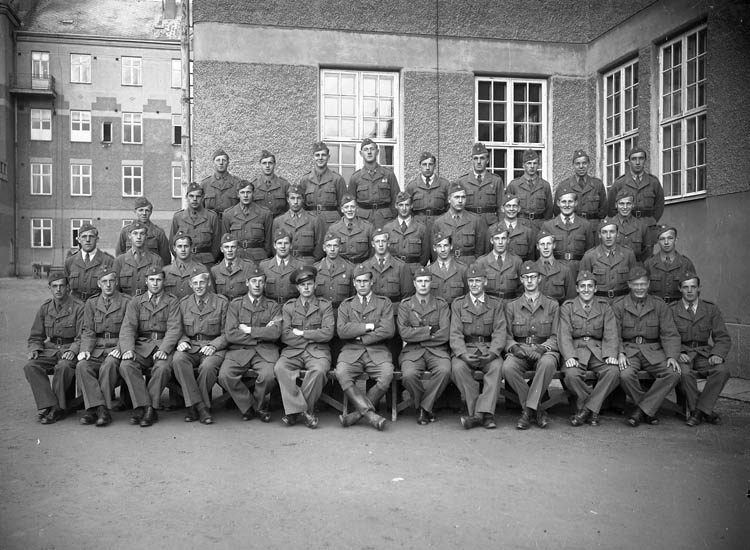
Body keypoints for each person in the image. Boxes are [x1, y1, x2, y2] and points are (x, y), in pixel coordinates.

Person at [612, 266, 681, 427]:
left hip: (653, 351)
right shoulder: (619, 305)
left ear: (649, 284)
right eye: (636, 284)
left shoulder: (659, 305)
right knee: (625, 374)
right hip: (629, 350)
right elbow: (614, 334)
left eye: (643, 284)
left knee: (673, 373)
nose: (640, 288)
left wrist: (671, 356)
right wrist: (620, 353)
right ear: (629, 284)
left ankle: (641, 410)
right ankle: (648, 409)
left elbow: (669, 334)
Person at [118, 266, 182, 427]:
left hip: (163, 344)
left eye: (158, 280)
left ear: (164, 281)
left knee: (163, 368)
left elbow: (174, 328)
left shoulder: (172, 301)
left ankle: (148, 409)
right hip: (142, 346)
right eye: (152, 280)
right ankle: (146, 406)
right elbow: (128, 328)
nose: (155, 283)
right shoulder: (136, 301)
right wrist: (128, 350)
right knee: (126, 365)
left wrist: (164, 349)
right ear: (146, 281)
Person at [502, 261, 560, 430]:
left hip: (545, 350)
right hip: (521, 349)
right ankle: (537, 410)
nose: (529, 281)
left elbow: (557, 335)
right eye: (526, 277)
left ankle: (527, 412)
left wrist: (543, 348)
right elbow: (506, 335)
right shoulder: (511, 306)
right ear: (521, 279)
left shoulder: (552, 305)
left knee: (547, 364)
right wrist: (514, 348)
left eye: (533, 277)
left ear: (539, 279)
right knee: (508, 367)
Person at [219, 266, 282, 422]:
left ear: (265, 284)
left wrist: (249, 330)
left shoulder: (273, 306)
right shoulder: (236, 305)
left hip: (265, 351)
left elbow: (275, 333)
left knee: (268, 376)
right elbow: (231, 334)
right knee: (225, 375)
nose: (257, 285)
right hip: (239, 350)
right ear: (247, 283)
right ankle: (250, 406)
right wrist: (262, 334)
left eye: (261, 281)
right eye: (254, 281)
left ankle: (258, 406)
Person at [335, 264, 393, 430]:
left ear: (371, 282)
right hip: (351, 351)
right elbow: (342, 331)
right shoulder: (346, 305)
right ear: (354, 283)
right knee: (342, 372)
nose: (362, 284)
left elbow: (388, 330)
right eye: (359, 281)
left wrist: (360, 335)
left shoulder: (384, 303)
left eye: (365, 281)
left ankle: (356, 415)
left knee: (387, 373)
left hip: (377, 350)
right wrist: (369, 326)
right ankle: (370, 415)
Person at [275, 266, 335, 428]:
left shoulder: (325, 305)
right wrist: (313, 337)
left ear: (315, 285)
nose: (306, 288)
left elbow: (328, 333)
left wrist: (302, 333)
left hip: (317, 352)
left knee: (319, 371)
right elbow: (285, 335)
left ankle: (294, 412)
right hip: (293, 351)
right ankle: (304, 412)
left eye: (309, 284)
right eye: (302, 285)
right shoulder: (289, 307)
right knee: (280, 368)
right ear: (297, 287)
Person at [559, 270, 621, 427]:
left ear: (595, 288)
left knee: (613, 371)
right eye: (582, 286)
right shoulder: (568, 307)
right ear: (577, 288)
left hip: (598, 351)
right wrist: (570, 356)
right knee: (571, 375)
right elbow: (564, 334)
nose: (586, 289)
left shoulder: (604, 307)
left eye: (590, 286)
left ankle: (586, 410)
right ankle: (593, 409)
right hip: (576, 350)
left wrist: (611, 354)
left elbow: (611, 332)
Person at [670, 272, 732, 427]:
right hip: (683, 352)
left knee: (722, 370)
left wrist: (717, 354)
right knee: (684, 373)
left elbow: (722, 337)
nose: (690, 291)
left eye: (693, 287)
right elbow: (667, 335)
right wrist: (678, 353)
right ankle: (703, 411)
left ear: (699, 288)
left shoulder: (710, 309)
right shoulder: (671, 310)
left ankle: (698, 411)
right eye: (686, 287)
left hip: (704, 353)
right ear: (680, 289)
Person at [450, 264, 506, 429]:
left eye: (477, 281)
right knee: (458, 368)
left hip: (488, 349)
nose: (474, 284)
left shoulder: (496, 304)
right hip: (466, 348)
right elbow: (455, 333)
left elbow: (500, 332)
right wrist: (462, 354)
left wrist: (493, 353)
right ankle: (484, 414)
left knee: (497, 367)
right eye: (471, 281)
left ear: (485, 282)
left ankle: (477, 416)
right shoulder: (458, 304)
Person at [23, 271, 84, 424]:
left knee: (63, 366)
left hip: (70, 348)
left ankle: (56, 410)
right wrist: (35, 349)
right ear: (49, 288)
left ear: (68, 287)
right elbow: (36, 336)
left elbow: (82, 336)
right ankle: (51, 404)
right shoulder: (45, 308)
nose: (58, 289)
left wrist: (73, 350)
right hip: (51, 349)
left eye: (62, 286)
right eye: (54, 286)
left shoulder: (79, 307)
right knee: (31, 366)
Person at [172, 269, 229, 425]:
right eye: (195, 283)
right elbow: (177, 329)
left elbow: (227, 333)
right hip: (191, 346)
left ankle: (193, 407)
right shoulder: (183, 303)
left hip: (214, 346)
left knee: (208, 367)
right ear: (190, 285)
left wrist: (214, 346)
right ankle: (201, 407)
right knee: (178, 360)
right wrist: (182, 341)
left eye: (202, 282)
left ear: (208, 283)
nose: (198, 286)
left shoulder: (221, 302)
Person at [76, 267, 131, 427]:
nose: (108, 285)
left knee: (109, 365)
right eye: (104, 281)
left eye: (111, 281)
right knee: (82, 365)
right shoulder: (92, 303)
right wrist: (85, 350)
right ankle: (99, 408)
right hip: (97, 348)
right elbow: (88, 330)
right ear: (99, 284)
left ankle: (99, 409)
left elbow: (129, 330)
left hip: (116, 346)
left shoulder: (127, 302)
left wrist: (120, 348)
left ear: (116, 282)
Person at [397, 267, 452, 425]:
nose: (423, 284)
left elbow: (445, 333)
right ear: (414, 283)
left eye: (426, 281)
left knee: (445, 371)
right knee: (408, 375)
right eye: (420, 281)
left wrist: (418, 335)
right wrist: (429, 331)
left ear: (431, 283)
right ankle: (427, 406)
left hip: (437, 351)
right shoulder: (406, 305)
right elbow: (404, 333)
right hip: (412, 351)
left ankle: (423, 408)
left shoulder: (441, 304)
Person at [607, 146, 665, 242]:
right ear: (629, 162)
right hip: (625, 228)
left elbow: (659, 206)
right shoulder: (620, 183)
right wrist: (621, 223)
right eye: (634, 159)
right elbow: (611, 208)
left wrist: (652, 221)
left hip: (648, 227)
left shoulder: (653, 182)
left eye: (641, 158)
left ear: (645, 160)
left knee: (647, 251)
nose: (637, 162)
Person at [541, 187, 594, 279]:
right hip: (555, 271)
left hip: (579, 271)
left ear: (576, 203)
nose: (567, 205)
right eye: (563, 202)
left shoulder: (585, 225)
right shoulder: (548, 226)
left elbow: (590, 252)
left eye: (570, 202)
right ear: (558, 203)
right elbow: (542, 254)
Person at [348, 138, 400, 229]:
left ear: (377, 152)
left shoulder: (388, 174)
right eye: (366, 149)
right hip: (363, 221)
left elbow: (396, 200)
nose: (369, 152)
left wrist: (392, 220)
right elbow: (350, 203)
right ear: (361, 153)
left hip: (385, 221)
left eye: (372, 149)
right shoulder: (355, 177)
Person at [432, 181, 489, 265]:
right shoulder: (439, 222)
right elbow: (435, 253)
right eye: (457, 197)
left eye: (463, 197)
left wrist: (474, 266)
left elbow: (481, 250)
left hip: (469, 265)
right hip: (449, 265)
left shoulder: (476, 221)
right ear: (449, 199)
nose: (460, 201)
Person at [579, 220, 637, 302]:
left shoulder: (628, 254)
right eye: (604, 232)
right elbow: (583, 285)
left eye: (612, 232)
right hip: (599, 302)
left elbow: (634, 282)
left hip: (623, 302)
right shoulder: (589, 256)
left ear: (617, 234)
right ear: (599, 235)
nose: (608, 236)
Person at [272, 184, 326, 265]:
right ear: (287, 200)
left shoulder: (314, 220)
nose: (295, 202)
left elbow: (319, 246)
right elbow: (273, 247)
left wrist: (313, 261)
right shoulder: (278, 221)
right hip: (287, 262)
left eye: (298, 198)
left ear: (303, 199)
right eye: (292, 198)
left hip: (307, 263)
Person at [298, 141, 348, 228]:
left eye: (323, 155)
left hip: (331, 224)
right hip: (310, 223)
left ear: (328, 157)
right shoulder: (305, 180)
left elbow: (344, 205)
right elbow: (301, 206)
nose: (320, 158)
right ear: (313, 157)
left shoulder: (337, 179)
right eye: (317, 155)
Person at [221, 179, 274, 262]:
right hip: (237, 257)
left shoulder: (264, 213)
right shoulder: (228, 214)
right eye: (242, 192)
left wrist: (264, 255)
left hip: (258, 258)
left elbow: (269, 241)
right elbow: (225, 240)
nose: (245, 195)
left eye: (248, 192)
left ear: (253, 193)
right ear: (238, 194)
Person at [171, 182, 221, 268]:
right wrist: (181, 258)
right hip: (185, 262)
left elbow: (217, 242)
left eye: (198, 196)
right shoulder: (178, 217)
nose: (194, 199)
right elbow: (172, 241)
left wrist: (211, 258)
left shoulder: (212, 216)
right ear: (186, 197)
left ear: (202, 197)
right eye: (191, 196)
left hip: (206, 262)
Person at [454, 142, 505, 226]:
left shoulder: (496, 180)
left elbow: (501, 207)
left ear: (487, 160)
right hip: (469, 224)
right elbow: (457, 207)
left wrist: (501, 227)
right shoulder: (462, 181)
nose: (478, 162)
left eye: (482, 158)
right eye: (475, 158)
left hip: (490, 225)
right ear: (472, 160)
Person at [644, 225, 696, 303]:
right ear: (658, 241)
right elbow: (642, 291)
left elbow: (694, 291)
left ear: (676, 240)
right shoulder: (649, 264)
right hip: (655, 307)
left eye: (670, 238)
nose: (666, 242)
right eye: (662, 239)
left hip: (678, 308)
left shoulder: (686, 264)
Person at [553, 150, 607, 222]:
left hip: (593, 225)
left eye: (584, 163)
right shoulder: (564, 186)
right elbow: (557, 211)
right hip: (572, 225)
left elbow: (604, 210)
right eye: (577, 164)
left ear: (588, 164)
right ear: (573, 165)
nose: (581, 166)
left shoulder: (597, 184)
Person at [383, 191, 430, 274]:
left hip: (414, 271)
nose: (404, 208)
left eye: (407, 205)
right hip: (393, 271)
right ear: (396, 206)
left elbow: (425, 255)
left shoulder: (421, 228)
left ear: (411, 206)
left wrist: (418, 269)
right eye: (401, 205)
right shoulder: (388, 228)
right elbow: (384, 252)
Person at [64, 223, 114, 301]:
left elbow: (114, 289)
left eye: (91, 236)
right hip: (75, 305)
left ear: (97, 239)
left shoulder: (108, 261)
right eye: (84, 236)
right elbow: (65, 288)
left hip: (97, 304)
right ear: (79, 239)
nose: (87, 240)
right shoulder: (70, 261)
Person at [112, 222, 164, 296]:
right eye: (135, 233)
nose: (138, 237)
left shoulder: (156, 260)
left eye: (142, 234)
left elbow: (159, 288)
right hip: (127, 301)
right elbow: (115, 289)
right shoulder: (119, 261)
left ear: (146, 236)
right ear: (129, 236)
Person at [505, 149, 553, 229]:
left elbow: (549, 210)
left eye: (535, 163)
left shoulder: (545, 185)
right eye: (529, 163)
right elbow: (506, 208)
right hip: (520, 226)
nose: (532, 166)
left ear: (538, 165)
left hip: (539, 226)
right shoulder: (514, 185)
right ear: (523, 165)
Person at [116, 197, 171, 265]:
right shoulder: (126, 231)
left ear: (151, 212)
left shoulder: (158, 233)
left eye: (147, 210)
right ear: (135, 211)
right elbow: (119, 255)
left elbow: (165, 259)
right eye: (141, 210)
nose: (144, 213)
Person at [405, 151, 450, 234]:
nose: (427, 168)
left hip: (439, 225)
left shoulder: (444, 184)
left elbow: (449, 208)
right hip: (418, 226)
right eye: (424, 164)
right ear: (420, 166)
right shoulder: (412, 186)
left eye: (430, 164)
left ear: (435, 166)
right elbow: (407, 209)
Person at [475, 226, 523, 300]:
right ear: (491, 240)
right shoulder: (481, 262)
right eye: (497, 239)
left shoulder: (517, 261)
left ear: (508, 240)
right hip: (489, 304)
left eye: (503, 238)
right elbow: (476, 288)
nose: (500, 242)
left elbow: (522, 288)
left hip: (511, 303)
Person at [163, 231, 215, 299]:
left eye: (186, 246)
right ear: (174, 248)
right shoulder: (166, 271)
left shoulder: (201, 269)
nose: (183, 250)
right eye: (179, 246)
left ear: (191, 247)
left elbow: (210, 296)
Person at [606, 189, 651, 263]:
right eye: (621, 204)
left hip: (635, 267)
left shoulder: (642, 226)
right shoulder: (608, 225)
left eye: (628, 203)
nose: (625, 207)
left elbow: (647, 254)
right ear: (616, 205)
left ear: (633, 205)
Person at [260, 229, 303, 304]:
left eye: (286, 243)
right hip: (271, 307)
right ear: (274, 245)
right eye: (279, 243)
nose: (283, 246)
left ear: (291, 245)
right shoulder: (264, 266)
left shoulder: (299, 265)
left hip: (293, 307)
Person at [327, 194, 374, 264]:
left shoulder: (368, 227)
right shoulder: (333, 229)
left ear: (357, 209)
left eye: (352, 207)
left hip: (362, 266)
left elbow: (373, 253)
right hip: (341, 267)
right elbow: (330, 252)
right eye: (346, 207)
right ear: (342, 209)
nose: (349, 210)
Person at [489, 194, 537, 261]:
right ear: (502, 209)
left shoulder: (527, 232)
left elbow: (531, 259)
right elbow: (488, 257)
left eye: (514, 206)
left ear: (519, 209)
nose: (511, 209)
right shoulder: (493, 229)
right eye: (508, 206)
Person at [314, 232, 354, 311]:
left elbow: (353, 295)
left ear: (340, 248)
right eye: (329, 246)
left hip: (342, 312)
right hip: (321, 312)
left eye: (335, 246)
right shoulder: (316, 269)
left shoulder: (350, 269)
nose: (332, 249)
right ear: (324, 248)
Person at [211, 234, 256, 300]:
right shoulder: (215, 270)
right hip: (223, 305)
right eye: (226, 247)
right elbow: (213, 295)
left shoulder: (248, 267)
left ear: (237, 248)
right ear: (221, 249)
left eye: (233, 247)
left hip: (242, 305)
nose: (230, 250)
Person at [200, 148, 242, 218]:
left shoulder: (237, 183)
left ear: (228, 163)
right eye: (218, 160)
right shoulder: (205, 184)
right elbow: (200, 208)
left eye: (224, 160)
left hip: (231, 221)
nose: (221, 163)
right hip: (211, 221)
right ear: (213, 163)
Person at [427, 232, 467, 304]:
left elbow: (467, 296)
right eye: (439, 246)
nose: (443, 249)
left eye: (446, 245)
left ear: (451, 246)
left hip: (456, 310)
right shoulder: (428, 271)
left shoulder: (462, 269)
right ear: (434, 248)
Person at [250, 149, 291, 217]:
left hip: (280, 222)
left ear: (274, 164)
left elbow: (290, 208)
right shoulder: (254, 185)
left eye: (270, 163)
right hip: (261, 221)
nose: (267, 166)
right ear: (260, 165)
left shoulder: (284, 185)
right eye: (264, 163)